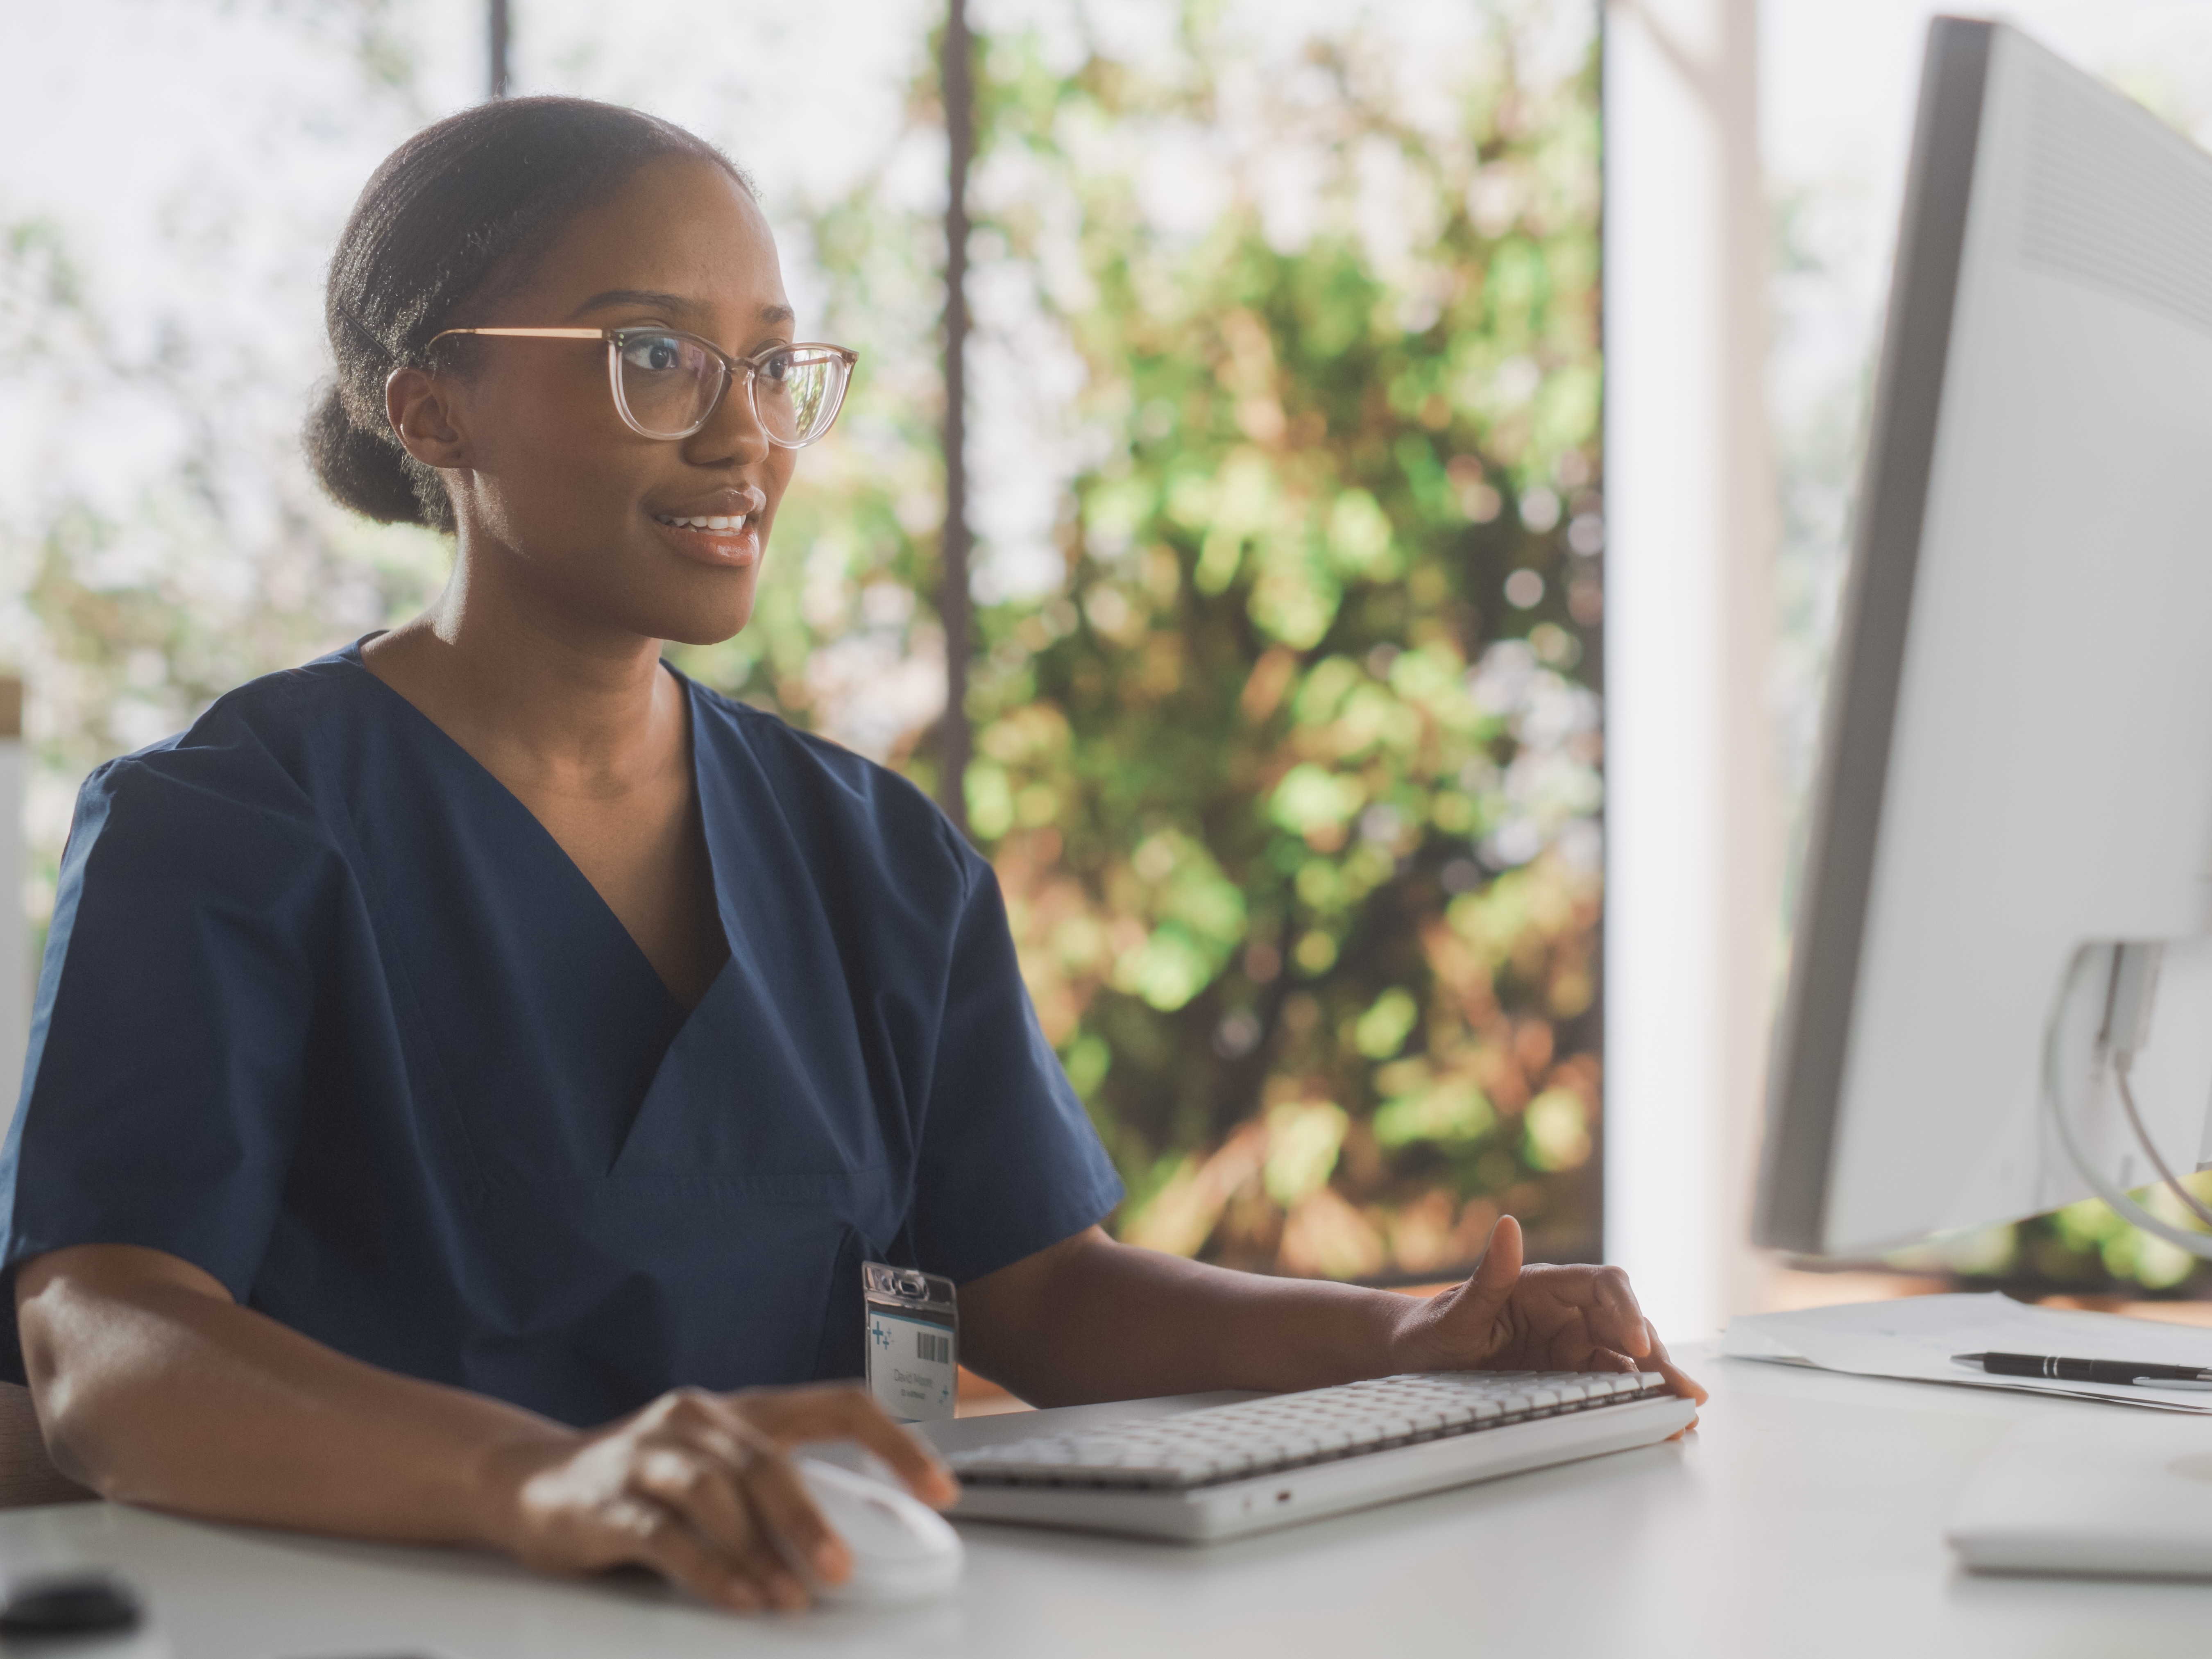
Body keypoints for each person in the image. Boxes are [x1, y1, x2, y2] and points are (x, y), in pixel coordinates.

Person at [1, 97, 1701, 1613]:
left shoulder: (874, 852)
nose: (745, 435)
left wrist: (1405, 1333)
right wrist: (534, 1480)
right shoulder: (225, 826)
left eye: (773, 365)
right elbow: (109, 1345)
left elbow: (1042, 1287)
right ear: (432, 411)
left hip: (803, 1605)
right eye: (651, 355)